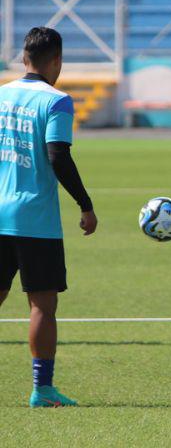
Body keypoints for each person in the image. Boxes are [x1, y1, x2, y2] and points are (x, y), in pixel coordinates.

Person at [0, 27, 98, 407]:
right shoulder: (56, 101)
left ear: (24, 58)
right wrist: (85, 204)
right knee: (42, 305)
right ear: (57, 60)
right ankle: (42, 390)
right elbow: (58, 155)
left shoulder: (2, 95)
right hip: (34, 219)